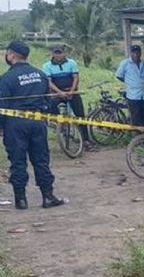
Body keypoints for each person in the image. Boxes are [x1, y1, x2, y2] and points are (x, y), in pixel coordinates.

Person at [1, 41, 66, 210]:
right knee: (41, 159)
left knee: (17, 161)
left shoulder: (6, 78)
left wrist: (1, 127)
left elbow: (3, 106)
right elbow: (48, 100)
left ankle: (20, 200)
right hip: (37, 120)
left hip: (15, 124)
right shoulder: (40, 74)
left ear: (12, 55)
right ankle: (47, 196)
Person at [43, 44, 92, 149]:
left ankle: (86, 140)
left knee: (80, 115)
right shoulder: (47, 66)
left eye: (60, 53)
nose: (58, 55)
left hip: (72, 92)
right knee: (50, 106)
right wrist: (59, 92)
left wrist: (71, 91)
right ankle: (60, 125)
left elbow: (76, 78)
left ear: (64, 53)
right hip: (56, 93)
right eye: (56, 53)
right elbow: (49, 82)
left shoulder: (71, 63)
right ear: (52, 54)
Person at [116, 44, 144, 128]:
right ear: (131, 53)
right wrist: (129, 82)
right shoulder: (125, 63)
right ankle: (137, 139)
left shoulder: (143, 64)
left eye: (137, 52)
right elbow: (119, 75)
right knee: (136, 119)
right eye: (134, 52)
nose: (136, 54)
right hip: (133, 95)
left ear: (140, 53)